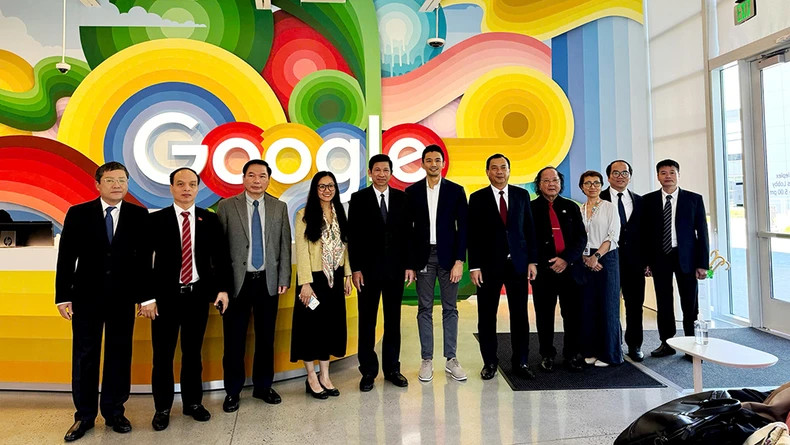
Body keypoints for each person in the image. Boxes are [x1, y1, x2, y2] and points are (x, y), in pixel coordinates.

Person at [55, 162, 150, 441]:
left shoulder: (138, 215)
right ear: (98, 184)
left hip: (123, 299)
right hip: (86, 297)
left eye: (122, 180)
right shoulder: (78, 213)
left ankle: (114, 412)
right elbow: (66, 259)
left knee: (119, 356)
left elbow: (144, 261)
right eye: (110, 180)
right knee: (85, 357)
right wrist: (63, 296)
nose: (117, 185)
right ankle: (83, 416)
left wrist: (146, 297)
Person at [141, 167, 232, 431]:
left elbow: (221, 258)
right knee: (163, 356)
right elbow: (143, 262)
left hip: (196, 298)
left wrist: (222, 290)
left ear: (198, 187)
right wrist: (147, 298)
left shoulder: (209, 219)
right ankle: (162, 408)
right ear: (171, 188)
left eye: (192, 184)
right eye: (180, 184)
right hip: (164, 300)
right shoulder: (155, 220)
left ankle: (193, 403)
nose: (186, 188)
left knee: (193, 354)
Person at [217, 159, 291, 412]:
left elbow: (283, 245)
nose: (257, 180)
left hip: (268, 283)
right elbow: (220, 251)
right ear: (243, 178)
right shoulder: (227, 206)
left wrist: (283, 278)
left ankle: (263, 386)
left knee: (266, 338)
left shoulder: (279, 207)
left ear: (269, 179)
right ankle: (233, 391)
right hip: (238, 284)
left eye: (262, 176)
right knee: (234, 340)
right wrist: (222, 287)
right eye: (251, 175)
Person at [468, 154, 538, 380]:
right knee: (487, 316)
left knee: (520, 316)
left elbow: (529, 230)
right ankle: (489, 362)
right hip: (488, 267)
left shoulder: (521, 195)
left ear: (509, 170)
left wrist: (532, 261)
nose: (499, 171)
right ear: (487, 171)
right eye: (494, 168)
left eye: (503, 167)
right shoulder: (477, 198)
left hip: (517, 265)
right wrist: (474, 266)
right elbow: (473, 235)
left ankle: (522, 361)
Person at [348, 154, 414, 391]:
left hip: (395, 271)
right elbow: (353, 236)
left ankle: (392, 369)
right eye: (377, 170)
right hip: (367, 272)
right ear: (370, 173)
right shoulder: (359, 198)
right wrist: (355, 268)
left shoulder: (401, 198)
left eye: (386, 170)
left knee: (393, 322)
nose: (381, 174)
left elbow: (408, 235)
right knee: (367, 322)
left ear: (391, 173)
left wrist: (409, 265)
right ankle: (368, 371)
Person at [405, 145, 468, 383]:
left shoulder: (455, 191)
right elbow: (408, 232)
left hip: (449, 258)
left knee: (450, 308)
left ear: (443, 163)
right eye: (428, 160)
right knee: (425, 309)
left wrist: (459, 261)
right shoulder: (412, 192)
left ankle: (451, 359)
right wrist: (410, 263)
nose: (433, 164)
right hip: (423, 259)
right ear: (422, 164)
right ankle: (426, 360)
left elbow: (463, 229)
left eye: (437, 160)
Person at [292, 171, 352, 399]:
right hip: (313, 281)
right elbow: (302, 251)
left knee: (329, 327)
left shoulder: (340, 213)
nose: (327, 190)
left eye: (330, 186)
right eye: (321, 186)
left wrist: (347, 275)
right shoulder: (304, 215)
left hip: (334, 279)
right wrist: (305, 283)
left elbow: (345, 245)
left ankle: (325, 376)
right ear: (315, 189)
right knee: (310, 328)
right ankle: (311, 377)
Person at [641, 159, 710, 357]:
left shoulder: (693, 199)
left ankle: (691, 346)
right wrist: (646, 262)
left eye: (672, 172)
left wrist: (702, 264)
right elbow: (645, 234)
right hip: (659, 257)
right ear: (658, 176)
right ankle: (667, 343)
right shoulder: (648, 200)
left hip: (686, 257)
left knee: (690, 303)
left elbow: (702, 233)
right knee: (663, 303)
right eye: (663, 172)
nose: (668, 176)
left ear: (678, 175)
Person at [530, 167, 587, 373]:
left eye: (554, 180)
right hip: (544, 272)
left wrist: (565, 259)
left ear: (560, 183)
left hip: (571, 270)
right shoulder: (531, 208)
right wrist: (547, 261)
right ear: (539, 185)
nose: (551, 184)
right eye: (546, 180)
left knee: (572, 315)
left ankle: (571, 354)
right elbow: (529, 239)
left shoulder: (572, 207)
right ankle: (547, 354)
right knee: (544, 315)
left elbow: (581, 238)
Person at [600, 160, 646, 362]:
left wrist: (647, 261)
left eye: (625, 173)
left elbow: (648, 234)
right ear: (608, 176)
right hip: (607, 260)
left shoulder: (640, 201)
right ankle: (611, 343)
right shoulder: (597, 198)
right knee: (608, 304)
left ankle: (634, 345)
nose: (620, 176)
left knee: (635, 304)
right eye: (616, 173)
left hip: (634, 263)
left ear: (630, 176)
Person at [578, 170, 622, 367]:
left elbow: (613, 236)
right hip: (585, 259)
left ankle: (610, 354)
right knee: (589, 307)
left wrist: (596, 257)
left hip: (606, 257)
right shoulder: (579, 209)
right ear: (582, 187)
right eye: (588, 183)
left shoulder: (609, 207)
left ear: (602, 185)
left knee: (608, 307)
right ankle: (592, 350)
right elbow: (577, 239)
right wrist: (585, 258)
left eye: (596, 183)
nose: (592, 186)